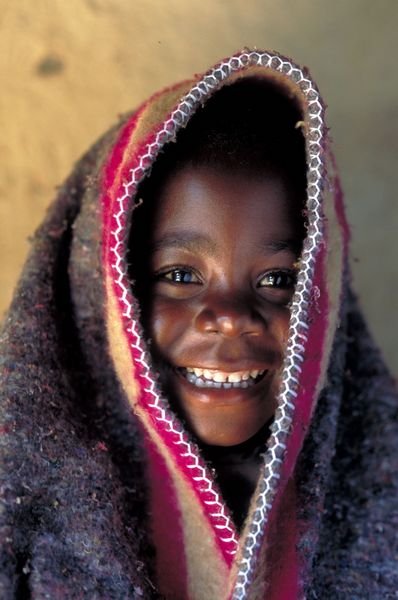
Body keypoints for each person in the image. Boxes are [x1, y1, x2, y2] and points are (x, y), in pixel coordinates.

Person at [0, 49, 397, 599]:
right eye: (182, 274)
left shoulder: (384, 497)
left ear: (324, 306)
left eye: (281, 281)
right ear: (103, 290)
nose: (230, 319)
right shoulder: (17, 513)